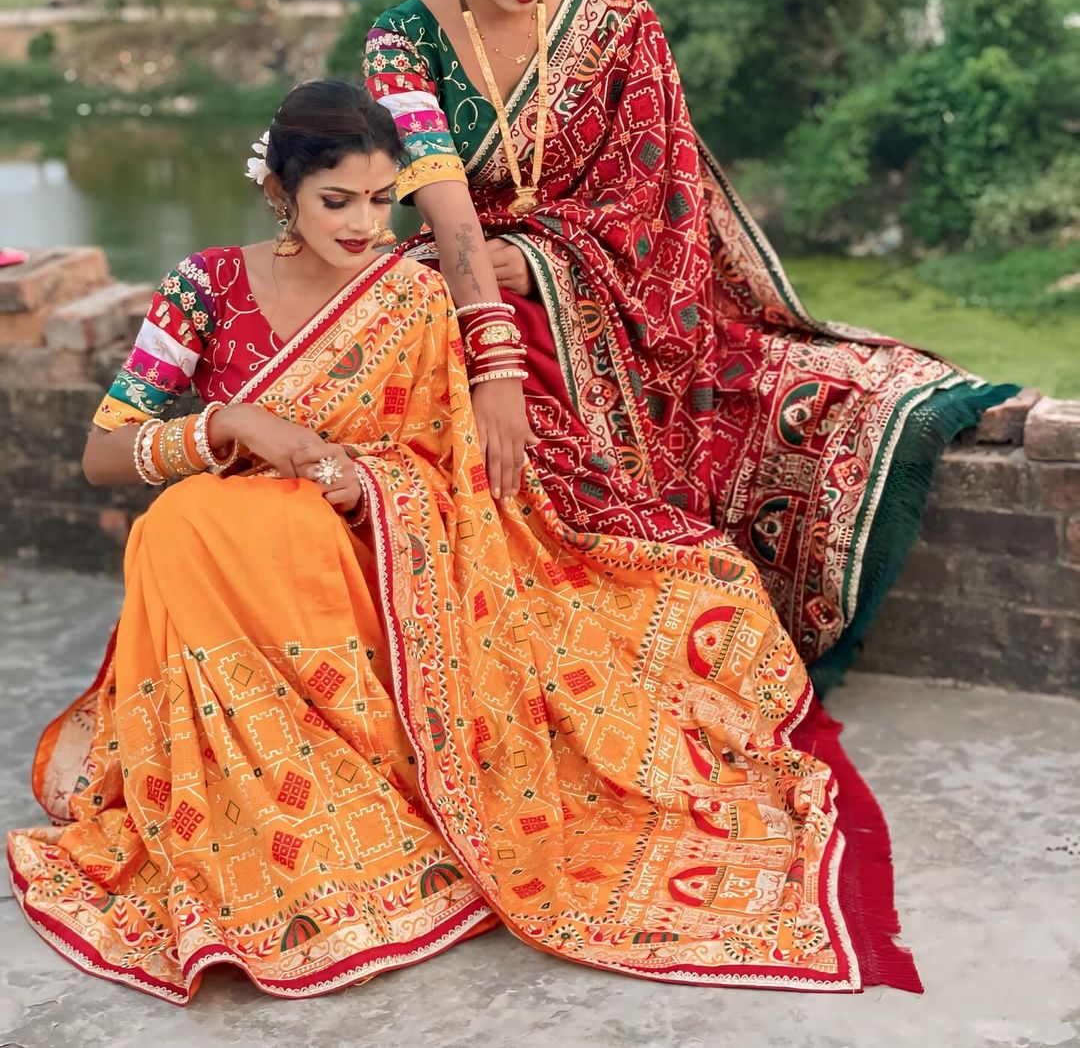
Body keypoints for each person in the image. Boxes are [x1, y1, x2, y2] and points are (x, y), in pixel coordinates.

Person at [9, 80, 919, 1002]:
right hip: (222, 567)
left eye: (381, 199)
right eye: (337, 201)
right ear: (280, 192)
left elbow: (449, 478)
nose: (365, 224)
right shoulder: (204, 288)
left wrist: (362, 485)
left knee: (195, 527)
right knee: (178, 523)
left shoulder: (408, 297)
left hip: (366, 575)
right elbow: (102, 453)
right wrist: (229, 426)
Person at [364, 0, 1015, 690]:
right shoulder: (402, 41)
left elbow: (656, 197)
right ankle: (537, 658)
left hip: (612, 290)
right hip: (465, 283)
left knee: (843, 392)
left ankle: (654, 625)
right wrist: (495, 363)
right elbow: (445, 205)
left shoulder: (615, 18)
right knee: (459, 416)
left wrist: (548, 262)